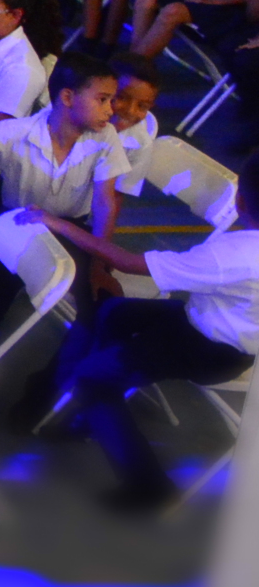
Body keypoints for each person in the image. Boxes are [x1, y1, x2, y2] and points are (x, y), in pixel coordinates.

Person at [13, 207, 259, 511]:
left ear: (240, 201)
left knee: (91, 380)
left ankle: (150, 487)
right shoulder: (238, 252)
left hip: (209, 349)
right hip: (217, 327)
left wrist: (59, 225)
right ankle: (98, 413)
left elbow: (128, 263)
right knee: (113, 312)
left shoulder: (234, 254)